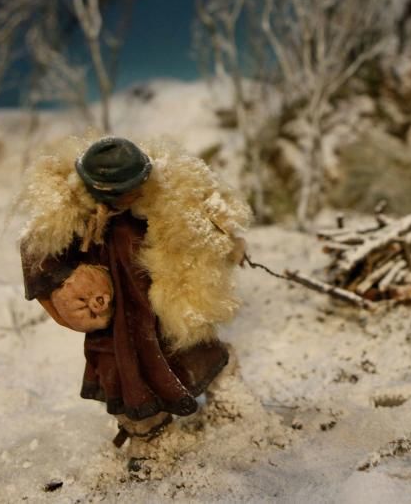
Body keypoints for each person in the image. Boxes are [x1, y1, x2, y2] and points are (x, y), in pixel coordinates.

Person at [17, 136, 250, 445]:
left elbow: (203, 226)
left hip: (161, 308)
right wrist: (70, 286)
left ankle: (230, 401)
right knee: (126, 379)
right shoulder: (75, 219)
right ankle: (151, 437)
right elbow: (38, 252)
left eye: (137, 185)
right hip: (117, 322)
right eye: (125, 190)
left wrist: (224, 243)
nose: (134, 194)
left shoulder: (159, 202)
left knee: (199, 354)